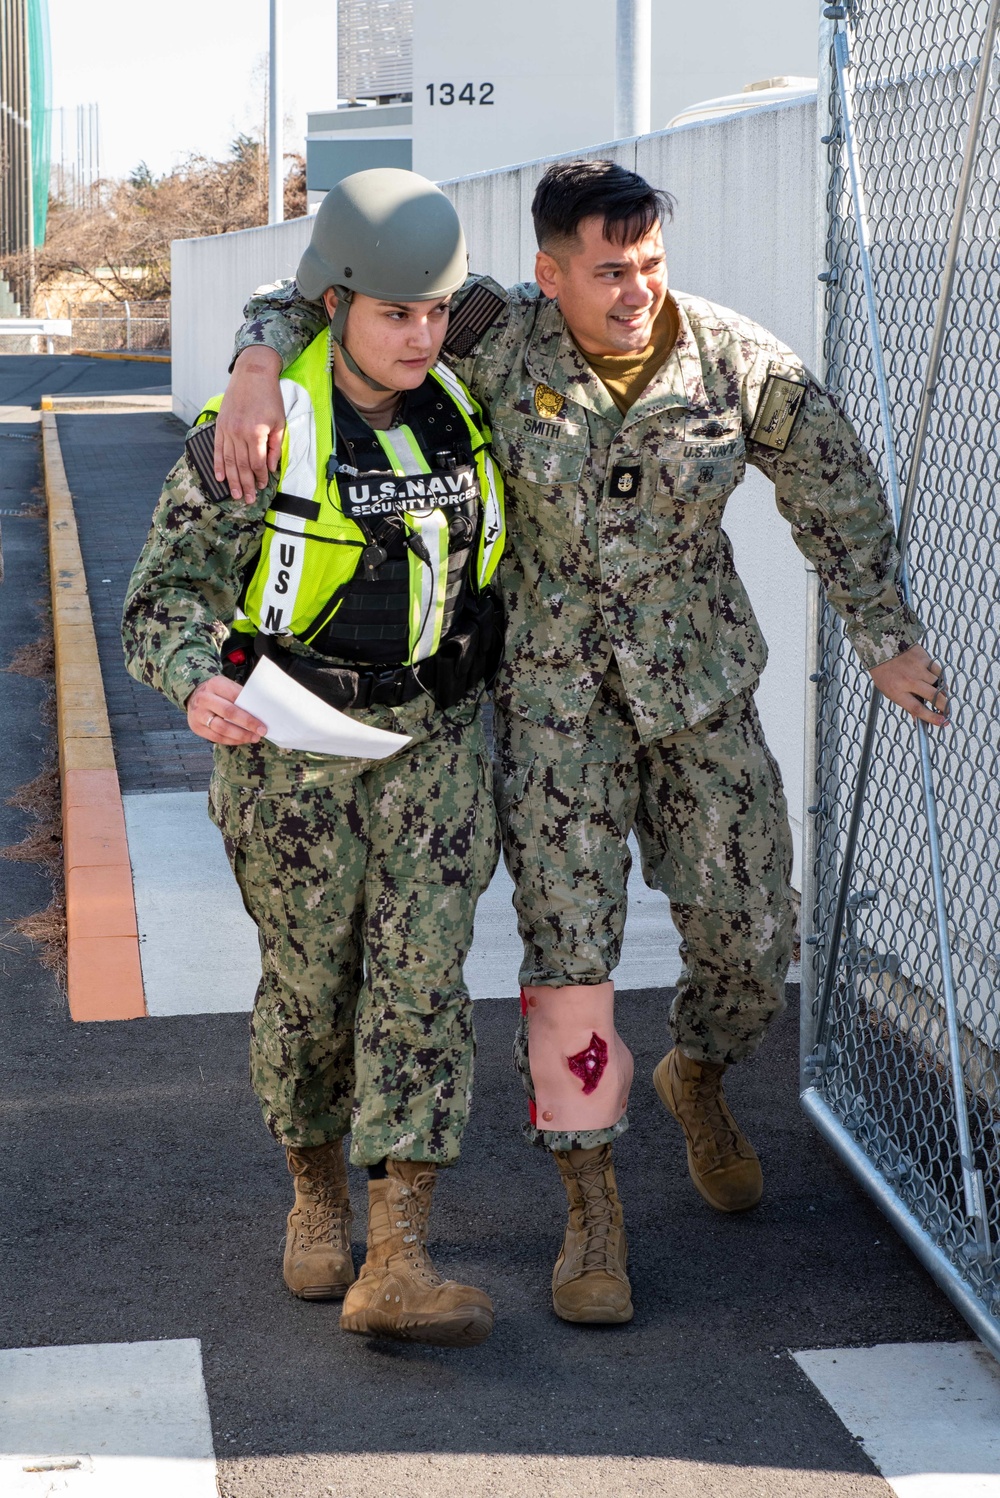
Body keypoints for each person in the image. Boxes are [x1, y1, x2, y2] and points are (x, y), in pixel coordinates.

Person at [213, 159, 947, 1327]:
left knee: (757, 936)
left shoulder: (730, 360)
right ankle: (590, 1200)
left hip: (699, 692)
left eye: (650, 263)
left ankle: (696, 1073)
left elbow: (836, 489)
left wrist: (885, 636)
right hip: (553, 714)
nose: (636, 289)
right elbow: (326, 293)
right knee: (571, 961)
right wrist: (256, 364)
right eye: (609, 271)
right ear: (549, 275)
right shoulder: (493, 339)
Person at [122, 169, 507, 1348]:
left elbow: (569, 306)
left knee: (420, 987)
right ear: (337, 304)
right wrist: (198, 679)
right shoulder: (261, 425)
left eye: (433, 311)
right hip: (292, 762)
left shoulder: (466, 379)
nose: (422, 333)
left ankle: (399, 1251)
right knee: (311, 991)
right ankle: (317, 1189)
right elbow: (159, 603)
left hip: (433, 744)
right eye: (395, 312)